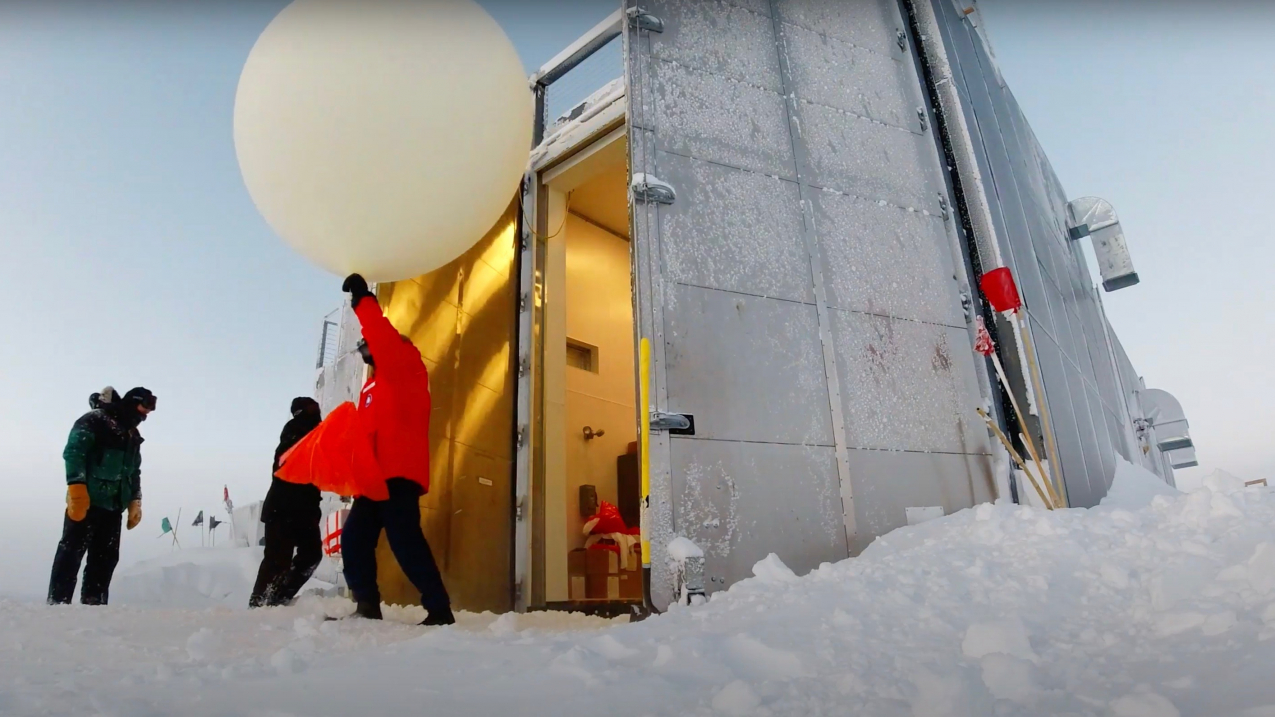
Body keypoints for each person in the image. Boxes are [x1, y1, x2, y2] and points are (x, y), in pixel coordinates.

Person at [338, 273, 454, 626]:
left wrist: (362, 299)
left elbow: (381, 335)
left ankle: (439, 610)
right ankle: (367, 605)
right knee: (355, 539)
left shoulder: (406, 365)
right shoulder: (373, 387)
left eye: (365, 346)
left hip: (399, 473)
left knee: (405, 541)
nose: (364, 352)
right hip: (374, 478)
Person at [48, 386, 156, 605]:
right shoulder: (95, 420)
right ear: (132, 402)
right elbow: (74, 452)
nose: (147, 413)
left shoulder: (132, 434)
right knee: (71, 552)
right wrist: (76, 487)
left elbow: (133, 471)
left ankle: (94, 603)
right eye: (145, 406)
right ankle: (58, 603)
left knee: (105, 558)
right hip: (86, 501)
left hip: (114, 506)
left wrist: (135, 499)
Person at [249, 397, 324, 608]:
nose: (316, 413)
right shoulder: (294, 432)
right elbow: (286, 466)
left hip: (305, 510)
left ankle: (279, 598)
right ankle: (259, 604)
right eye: (311, 409)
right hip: (282, 509)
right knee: (277, 561)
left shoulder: (316, 435)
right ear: (300, 413)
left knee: (311, 556)